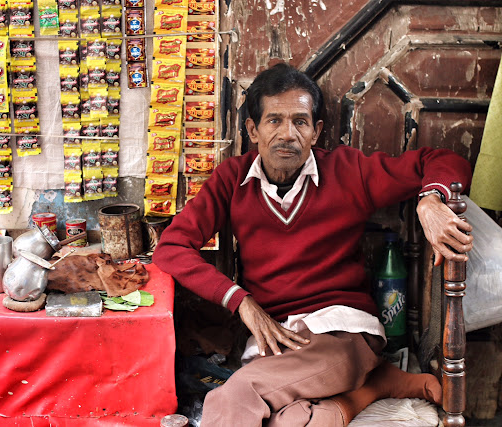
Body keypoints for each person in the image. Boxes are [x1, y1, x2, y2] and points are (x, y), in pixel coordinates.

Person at [152, 63, 474, 426]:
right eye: (274, 120)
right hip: (277, 340)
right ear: (252, 130)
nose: (287, 134)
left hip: (342, 334)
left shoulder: (347, 171)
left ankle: (368, 377)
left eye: (300, 121)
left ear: (316, 131)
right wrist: (240, 301)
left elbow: (444, 160)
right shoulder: (232, 179)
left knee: (236, 396)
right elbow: (171, 248)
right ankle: (372, 388)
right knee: (291, 421)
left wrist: (430, 200)